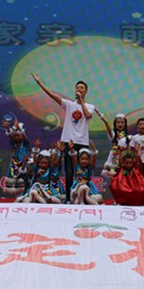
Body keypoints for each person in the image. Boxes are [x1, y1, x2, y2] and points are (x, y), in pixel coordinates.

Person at [32, 73, 95, 202]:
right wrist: (39, 83)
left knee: (83, 170)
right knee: (69, 171)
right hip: (68, 141)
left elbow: (88, 116)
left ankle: (83, 197)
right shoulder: (69, 104)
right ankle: (69, 198)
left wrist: (81, 101)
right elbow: (52, 96)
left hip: (82, 141)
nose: (79, 89)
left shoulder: (90, 106)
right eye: (77, 88)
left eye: (82, 88)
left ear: (86, 91)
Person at [0, 119, 31, 197]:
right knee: (15, 185)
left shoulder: (25, 143)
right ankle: (17, 198)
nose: (16, 137)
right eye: (15, 136)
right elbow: (10, 136)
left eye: (18, 135)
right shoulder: (13, 143)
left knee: (23, 183)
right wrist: (7, 127)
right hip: (14, 165)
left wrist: (19, 128)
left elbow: (24, 136)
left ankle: (23, 197)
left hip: (23, 165)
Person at [67, 141, 103, 205]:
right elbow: (73, 157)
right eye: (82, 159)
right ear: (79, 160)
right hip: (78, 186)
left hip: (88, 187)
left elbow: (94, 159)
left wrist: (94, 150)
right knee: (76, 202)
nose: (84, 161)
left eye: (86, 159)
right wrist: (71, 149)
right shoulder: (77, 167)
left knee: (92, 199)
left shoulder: (89, 168)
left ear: (89, 160)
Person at [97, 110, 129, 178]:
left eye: (122, 122)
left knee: (122, 177)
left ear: (125, 124)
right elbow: (107, 124)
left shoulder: (128, 137)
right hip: (113, 157)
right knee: (113, 176)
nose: (120, 124)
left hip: (123, 158)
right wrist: (100, 115)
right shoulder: (113, 134)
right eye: (118, 122)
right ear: (115, 124)